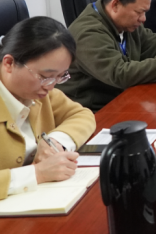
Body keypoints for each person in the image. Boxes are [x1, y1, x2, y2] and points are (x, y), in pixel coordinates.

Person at [0, 17, 95, 199]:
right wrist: (37, 173)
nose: (51, 87)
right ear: (9, 63)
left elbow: (82, 114)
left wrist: (54, 141)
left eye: (60, 76)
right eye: (45, 76)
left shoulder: (40, 93)